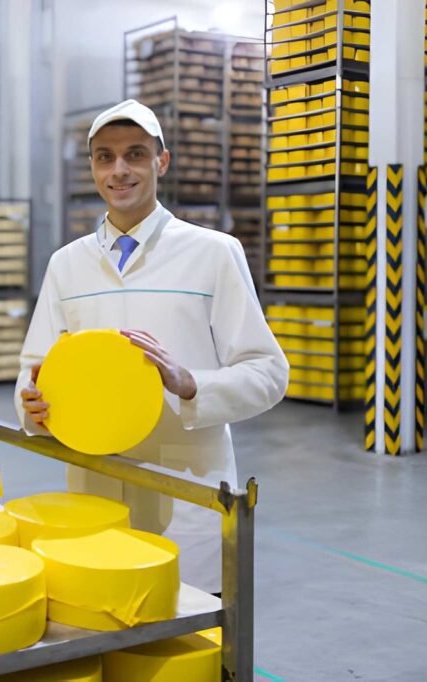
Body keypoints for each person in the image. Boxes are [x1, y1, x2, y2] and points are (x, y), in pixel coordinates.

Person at [15, 99, 288, 593]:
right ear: (93, 167)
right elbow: (35, 369)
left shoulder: (213, 253)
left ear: (161, 162)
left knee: (189, 624)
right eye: (105, 157)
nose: (119, 170)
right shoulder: (67, 265)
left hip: (187, 484)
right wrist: (30, 406)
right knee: (100, 615)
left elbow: (268, 371)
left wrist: (192, 385)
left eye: (135, 155)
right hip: (95, 485)